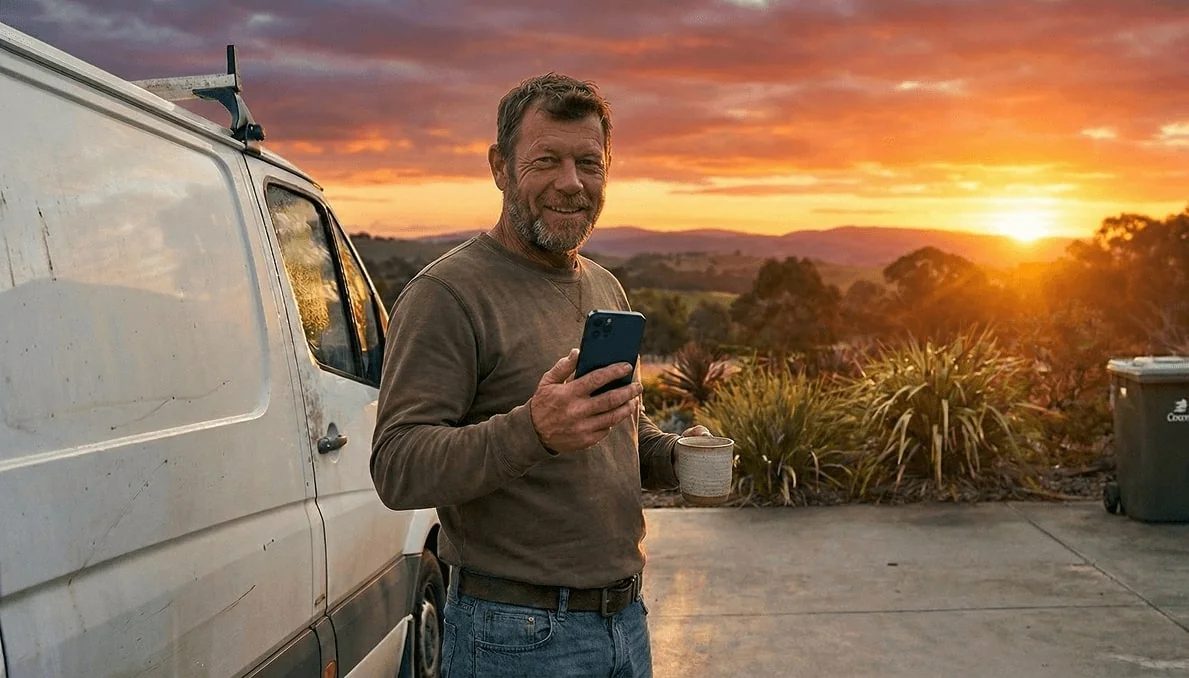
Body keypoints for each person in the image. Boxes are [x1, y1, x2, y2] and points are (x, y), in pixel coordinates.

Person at [370, 73, 714, 678]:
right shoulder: (446, 295)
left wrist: (678, 457)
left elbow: (616, 434)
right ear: (501, 167)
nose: (571, 183)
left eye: (588, 162)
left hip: (624, 623)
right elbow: (398, 466)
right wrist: (534, 429)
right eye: (546, 160)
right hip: (514, 635)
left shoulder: (605, 287)